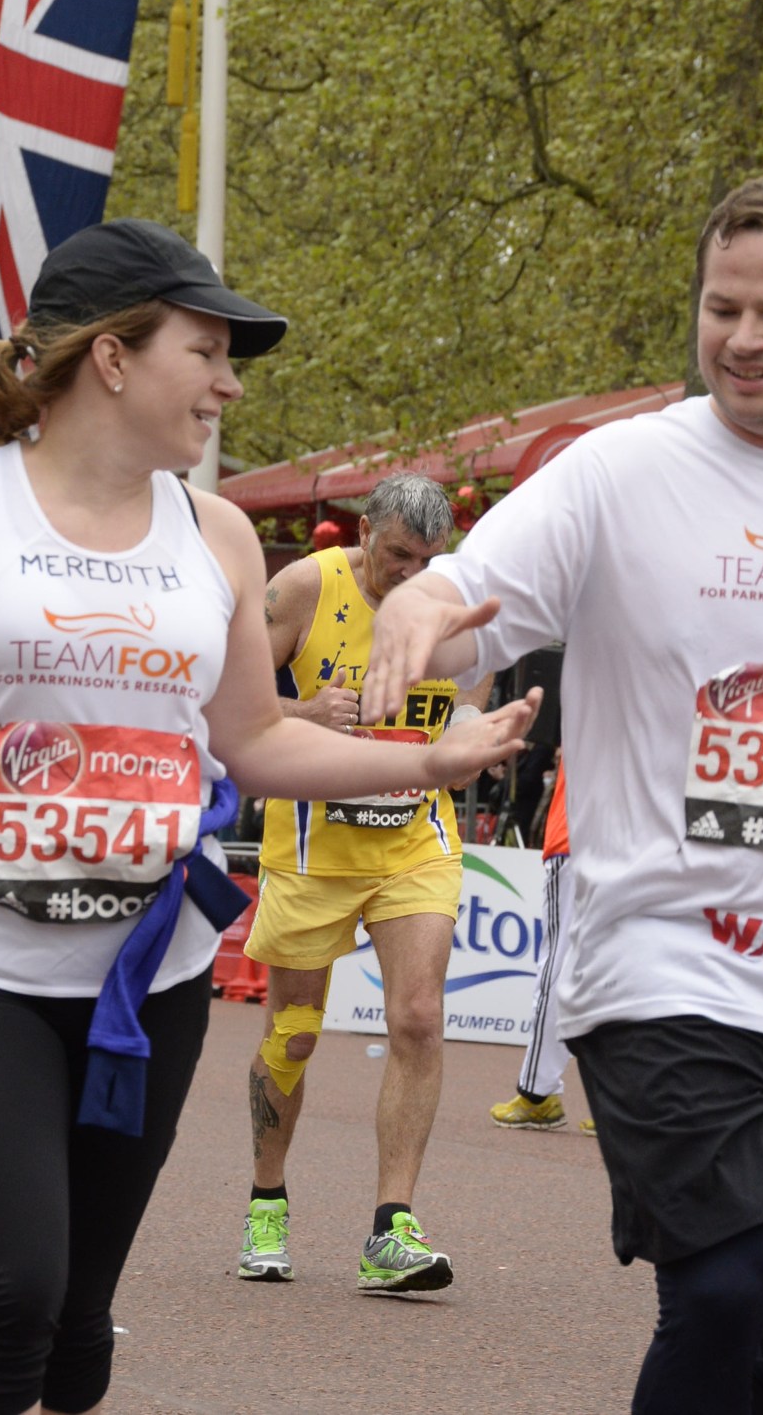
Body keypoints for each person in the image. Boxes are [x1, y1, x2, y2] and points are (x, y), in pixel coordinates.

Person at [360, 174, 763, 1413]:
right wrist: (417, 609)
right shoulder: (617, 470)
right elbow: (467, 591)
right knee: (725, 1283)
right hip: (661, 953)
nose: (740, 338)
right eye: (718, 306)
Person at [0, 219, 539, 1415]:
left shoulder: (217, 533)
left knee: (77, 1327)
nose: (229, 385)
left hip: (153, 974)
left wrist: (426, 756)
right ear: (113, 357)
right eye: (205, 352)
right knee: (13, 1290)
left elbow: (254, 738)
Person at [237, 472, 493, 1292]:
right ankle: (267, 1201)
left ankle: (392, 1227)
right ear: (364, 532)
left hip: (415, 841)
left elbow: (475, 689)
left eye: (427, 560)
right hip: (313, 848)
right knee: (294, 1033)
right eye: (397, 556)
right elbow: (232, 702)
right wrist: (306, 714)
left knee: (418, 1016)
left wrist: (471, 730)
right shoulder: (304, 587)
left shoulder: (455, 599)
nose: (411, 574)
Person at [489, 757, 595, 1134]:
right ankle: (625, 1102)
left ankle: (537, 1093)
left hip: (576, 840)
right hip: (629, 842)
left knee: (557, 969)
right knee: (618, 972)